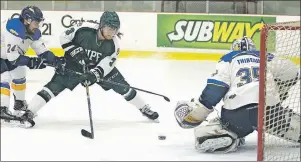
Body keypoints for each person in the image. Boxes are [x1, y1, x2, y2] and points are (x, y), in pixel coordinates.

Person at [20, 11, 159, 126]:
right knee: (54, 86)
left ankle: (144, 107)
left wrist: (94, 75)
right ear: (101, 26)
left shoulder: (114, 45)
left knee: (124, 87)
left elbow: (106, 65)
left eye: (115, 30)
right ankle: (30, 112)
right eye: (110, 29)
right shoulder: (83, 29)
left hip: (97, 68)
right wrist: (74, 51)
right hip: (74, 63)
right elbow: (64, 37)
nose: (113, 33)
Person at [174, 36, 300, 153]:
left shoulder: (228, 58)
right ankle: (293, 128)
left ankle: (227, 135)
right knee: (280, 119)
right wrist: (279, 91)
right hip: (269, 112)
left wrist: (198, 111)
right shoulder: (265, 56)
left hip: (237, 115)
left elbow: (216, 88)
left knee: (209, 131)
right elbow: (292, 72)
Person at [0, 6, 65, 126]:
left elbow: (42, 51)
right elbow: (13, 58)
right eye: (36, 22)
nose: (38, 25)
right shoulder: (13, 28)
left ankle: (19, 103)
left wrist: (56, 60)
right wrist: (32, 62)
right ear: (27, 20)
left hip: (5, 56)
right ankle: (2, 108)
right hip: (6, 56)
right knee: (4, 76)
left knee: (20, 73)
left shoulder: (33, 31)